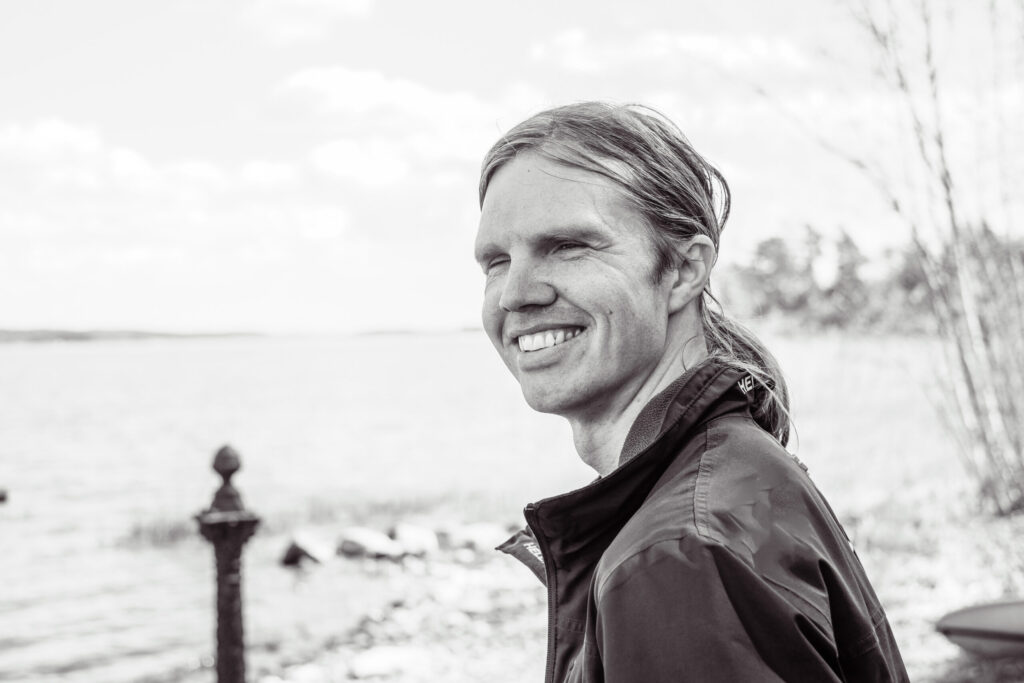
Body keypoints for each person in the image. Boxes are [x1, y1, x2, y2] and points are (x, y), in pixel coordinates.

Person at [474, 102, 909, 682]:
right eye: (496, 261)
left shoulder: (678, 559)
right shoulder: (738, 465)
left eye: (568, 246)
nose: (514, 294)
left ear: (682, 270)